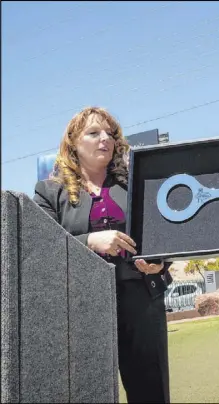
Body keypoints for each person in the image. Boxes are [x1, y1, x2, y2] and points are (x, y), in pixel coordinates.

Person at [33, 106, 171, 403]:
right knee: (88, 393)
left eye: (110, 133)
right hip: (81, 305)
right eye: (93, 133)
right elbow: (40, 248)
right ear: (73, 143)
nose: (104, 139)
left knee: (151, 394)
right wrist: (90, 241)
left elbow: (164, 232)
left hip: (141, 300)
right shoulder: (47, 192)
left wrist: (159, 263)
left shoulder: (136, 182)